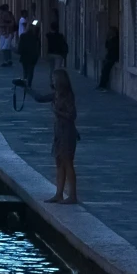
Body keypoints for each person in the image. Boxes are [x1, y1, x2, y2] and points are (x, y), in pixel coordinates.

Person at [49, 67, 80, 203]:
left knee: (67, 162)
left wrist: (57, 111)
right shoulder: (56, 94)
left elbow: (72, 115)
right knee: (59, 162)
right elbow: (39, 97)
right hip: (58, 131)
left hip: (66, 132)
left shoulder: (67, 95)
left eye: (54, 79)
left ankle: (72, 195)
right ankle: (59, 193)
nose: (53, 81)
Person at [16, 21, 43, 93]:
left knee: (25, 71)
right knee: (31, 71)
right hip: (32, 56)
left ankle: (25, 84)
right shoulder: (35, 37)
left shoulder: (23, 36)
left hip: (24, 55)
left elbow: (20, 46)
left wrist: (19, 52)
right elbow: (38, 46)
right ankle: (29, 85)